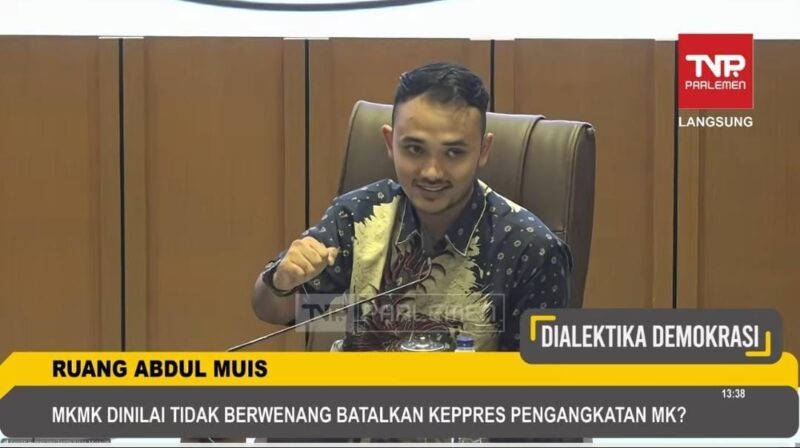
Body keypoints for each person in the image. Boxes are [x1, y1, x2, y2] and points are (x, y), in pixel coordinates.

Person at [252, 62, 572, 352]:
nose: (431, 172)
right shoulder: (359, 215)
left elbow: (539, 384)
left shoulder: (530, 249)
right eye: (415, 149)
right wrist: (280, 283)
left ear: (483, 150)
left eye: (454, 152)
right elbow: (277, 311)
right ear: (390, 143)